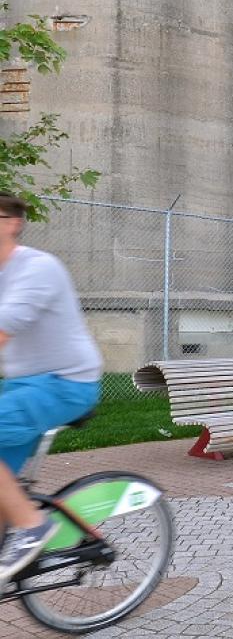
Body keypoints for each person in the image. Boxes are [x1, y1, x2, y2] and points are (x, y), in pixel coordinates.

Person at [0, 193, 102, 584]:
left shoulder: (37, 268)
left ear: (12, 223)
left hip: (66, 384)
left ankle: (32, 526)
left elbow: (7, 323)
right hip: (22, 387)